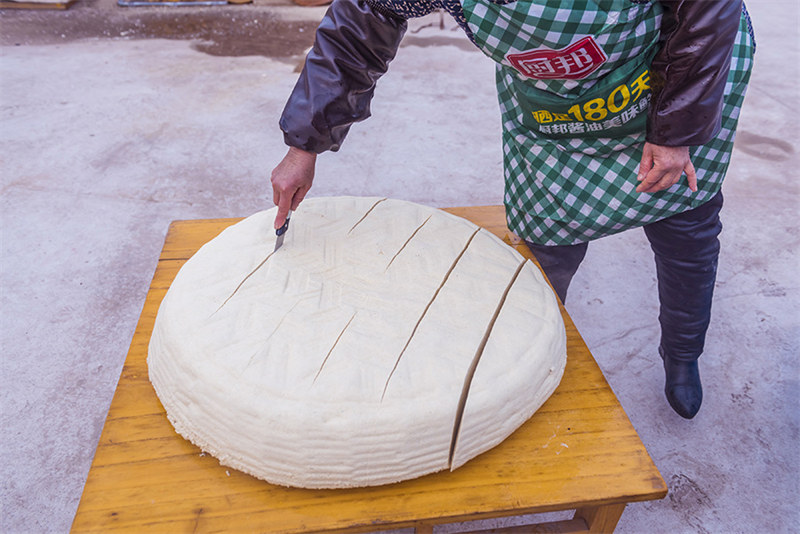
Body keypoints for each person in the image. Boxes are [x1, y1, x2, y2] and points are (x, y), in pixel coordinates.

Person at [269, 0, 755, 419]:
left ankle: (683, 353)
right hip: (555, 112)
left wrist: (676, 132)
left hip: (671, 81)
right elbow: (363, 21)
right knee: (546, 243)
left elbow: (707, 12)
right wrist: (304, 144)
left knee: (684, 229)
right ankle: (526, 355)